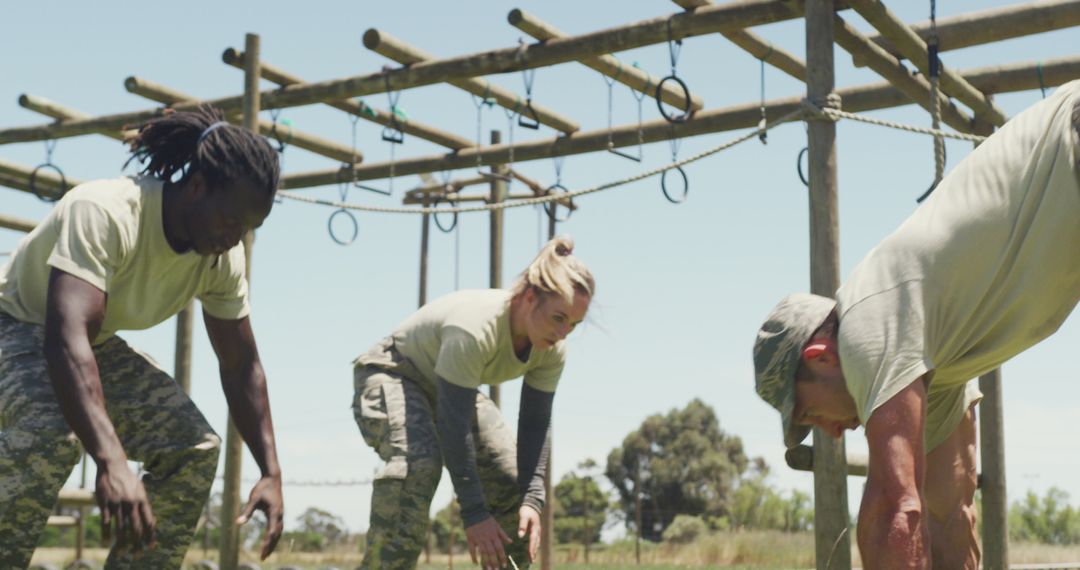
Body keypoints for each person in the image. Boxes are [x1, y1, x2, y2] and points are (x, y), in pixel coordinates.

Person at [753, 79, 1080, 569]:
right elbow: (949, 514)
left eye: (808, 415)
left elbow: (894, 509)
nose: (833, 434)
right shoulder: (926, 364)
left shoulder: (865, 323)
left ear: (817, 357)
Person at [0, 106, 286, 568]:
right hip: (12, 323)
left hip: (87, 344)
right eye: (230, 220)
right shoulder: (106, 211)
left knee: (193, 448)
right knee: (52, 434)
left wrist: (270, 471)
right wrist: (111, 460)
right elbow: (65, 339)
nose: (236, 238)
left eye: (249, 228)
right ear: (196, 187)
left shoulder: (220, 260)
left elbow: (241, 365)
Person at [352, 236, 595, 570]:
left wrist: (533, 498)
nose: (564, 332)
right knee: (418, 465)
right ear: (528, 298)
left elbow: (536, 422)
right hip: (393, 373)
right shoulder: (476, 328)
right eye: (558, 318)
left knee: (515, 485)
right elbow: (454, 425)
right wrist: (475, 513)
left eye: (574, 324)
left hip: (451, 390)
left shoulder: (552, 349)